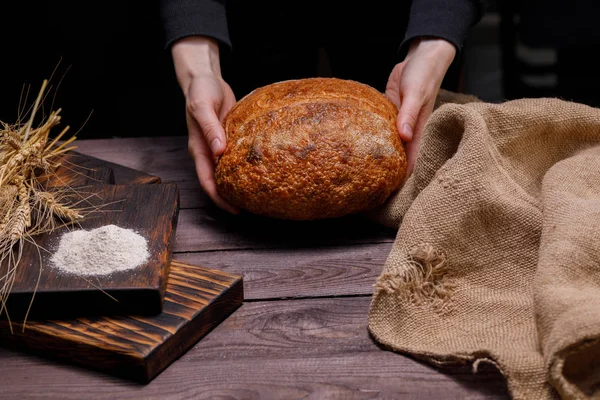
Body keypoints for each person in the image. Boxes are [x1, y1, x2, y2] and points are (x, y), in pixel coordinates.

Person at [160, 0, 483, 214]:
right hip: (246, 18)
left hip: (391, 15)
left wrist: (432, 44)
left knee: (401, 111)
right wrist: (199, 65)